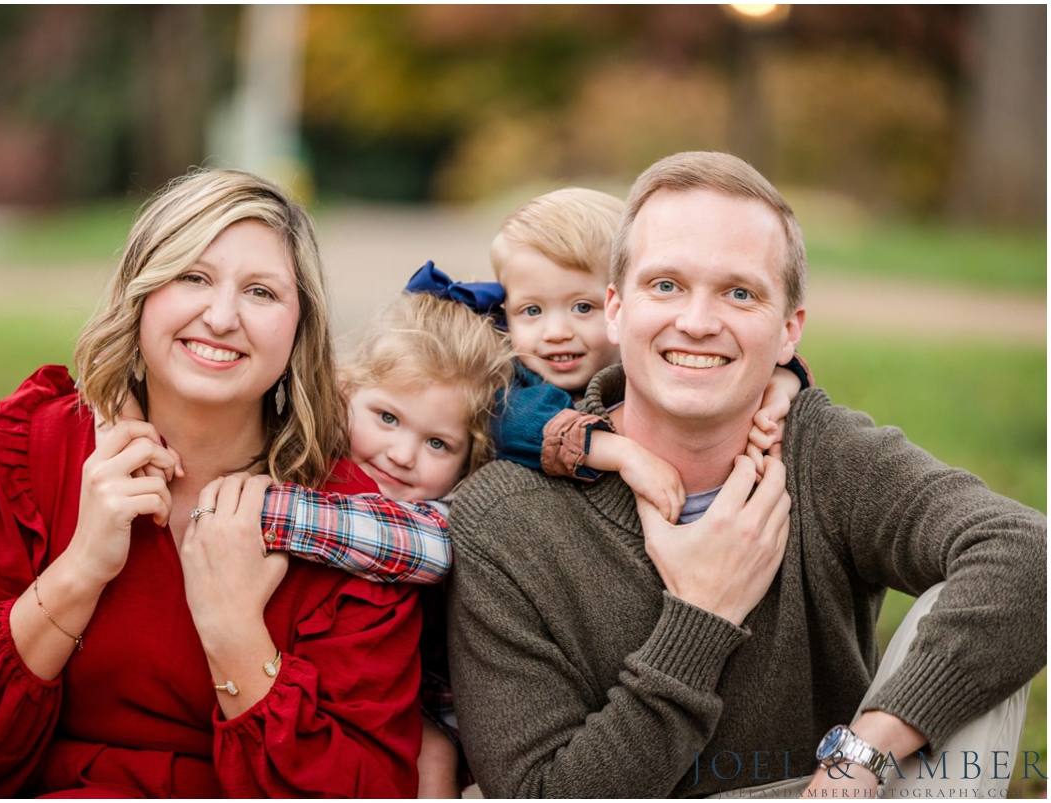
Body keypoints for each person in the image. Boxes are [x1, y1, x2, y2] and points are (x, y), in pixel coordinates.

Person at [445, 152, 1047, 797]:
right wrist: (702, 616)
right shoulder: (503, 519)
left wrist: (860, 758)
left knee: (975, 633)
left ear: (788, 331)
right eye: (666, 285)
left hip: (833, 790)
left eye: (740, 293)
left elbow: (1029, 553)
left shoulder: (820, 454)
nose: (698, 323)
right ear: (616, 309)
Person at [0, 169, 452, 797]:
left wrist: (233, 629)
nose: (222, 317)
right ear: (141, 293)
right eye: (192, 277)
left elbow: (366, 788)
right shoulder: (37, 450)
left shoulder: (347, 525)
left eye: (261, 292)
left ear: (299, 331)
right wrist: (80, 571)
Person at [489, 187, 812, 521]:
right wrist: (623, 454)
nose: (556, 332)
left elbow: (756, 348)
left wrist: (781, 383)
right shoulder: (511, 384)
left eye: (583, 307)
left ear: (621, 307)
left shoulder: (648, 354)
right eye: (531, 311)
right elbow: (512, 423)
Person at [337, 287, 513, 797]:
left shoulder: (443, 513)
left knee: (433, 752)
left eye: (437, 443)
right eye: (387, 418)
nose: (401, 454)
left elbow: (411, 545)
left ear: (468, 461)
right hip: (327, 686)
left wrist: (264, 513)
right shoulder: (314, 461)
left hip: (425, 702)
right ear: (345, 392)